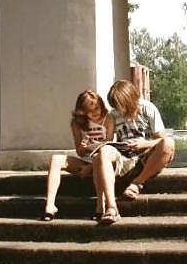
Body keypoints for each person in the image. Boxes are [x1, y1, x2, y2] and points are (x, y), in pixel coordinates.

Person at [41, 90, 135, 224]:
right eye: (90, 110)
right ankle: (50, 205)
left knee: (99, 156)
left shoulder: (108, 119)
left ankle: (100, 206)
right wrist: (83, 147)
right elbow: (79, 152)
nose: (96, 112)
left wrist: (90, 167)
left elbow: (109, 145)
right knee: (56, 159)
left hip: (102, 161)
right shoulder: (76, 124)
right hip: (86, 160)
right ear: (82, 111)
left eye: (97, 107)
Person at [106, 80, 175, 200]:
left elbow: (162, 139)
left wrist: (144, 144)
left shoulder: (147, 108)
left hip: (148, 155)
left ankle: (137, 183)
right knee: (104, 152)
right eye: (115, 105)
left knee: (169, 143)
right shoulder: (113, 115)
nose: (119, 109)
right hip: (126, 157)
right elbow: (108, 141)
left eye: (120, 104)